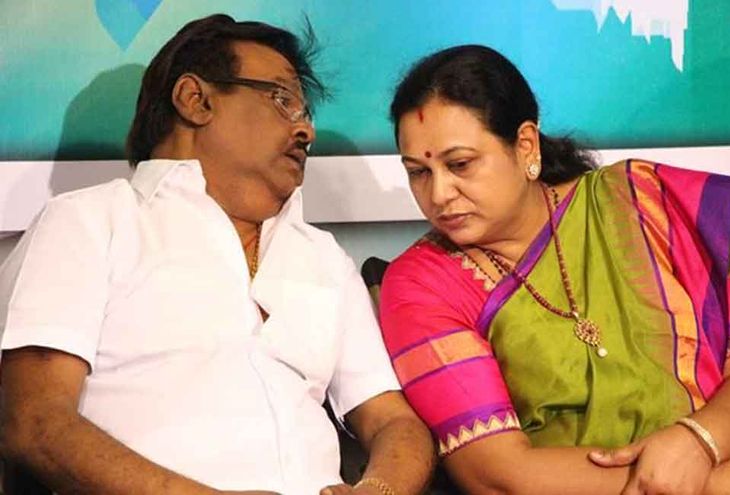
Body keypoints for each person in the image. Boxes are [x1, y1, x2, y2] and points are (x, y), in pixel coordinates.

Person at [0, 14, 435, 495]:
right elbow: (35, 423)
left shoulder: (323, 257)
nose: (307, 130)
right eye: (283, 100)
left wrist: (379, 488)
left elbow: (392, 419)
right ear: (196, 100)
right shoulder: (89, 222)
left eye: (306, 112)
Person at [379, 44, 730, 495]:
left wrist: (700, 444)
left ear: (525, 145)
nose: (439, 194)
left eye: (459, 164)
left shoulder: (640, 203)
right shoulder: (421, 285)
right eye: (418, 172)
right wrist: (708, 484)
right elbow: (497, 475)